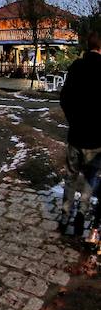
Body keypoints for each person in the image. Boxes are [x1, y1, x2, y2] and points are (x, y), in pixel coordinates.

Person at [58, 31, 101, 237]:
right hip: (96, 139)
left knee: (71, 177)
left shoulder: (76, 67)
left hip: (76, 134)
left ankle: (65, 216)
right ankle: (81, 214)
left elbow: (64, 97)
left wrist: (73, 119)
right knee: (90, 178)